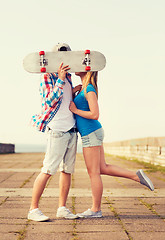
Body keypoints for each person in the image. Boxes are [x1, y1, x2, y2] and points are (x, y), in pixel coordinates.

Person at [69, 71, 154, 218]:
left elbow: (95, 114)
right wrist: (74, 91)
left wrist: (75, 110)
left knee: (94, 173)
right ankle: (136, 176)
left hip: (90, 133)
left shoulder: (89, 88)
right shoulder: (83, 88)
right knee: (102, 168)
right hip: (92, 132)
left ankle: (96, 210)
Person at [28, 43, 79, 221]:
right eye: (60, 56)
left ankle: (62, 208)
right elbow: (49, 101)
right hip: (57, 130)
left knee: (67, 171)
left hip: (72, 129)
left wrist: (73, 90)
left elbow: (64, 100)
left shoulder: (70, 77)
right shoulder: (47, 77)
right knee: (48, 170)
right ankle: (33, 209)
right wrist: (61, 79)